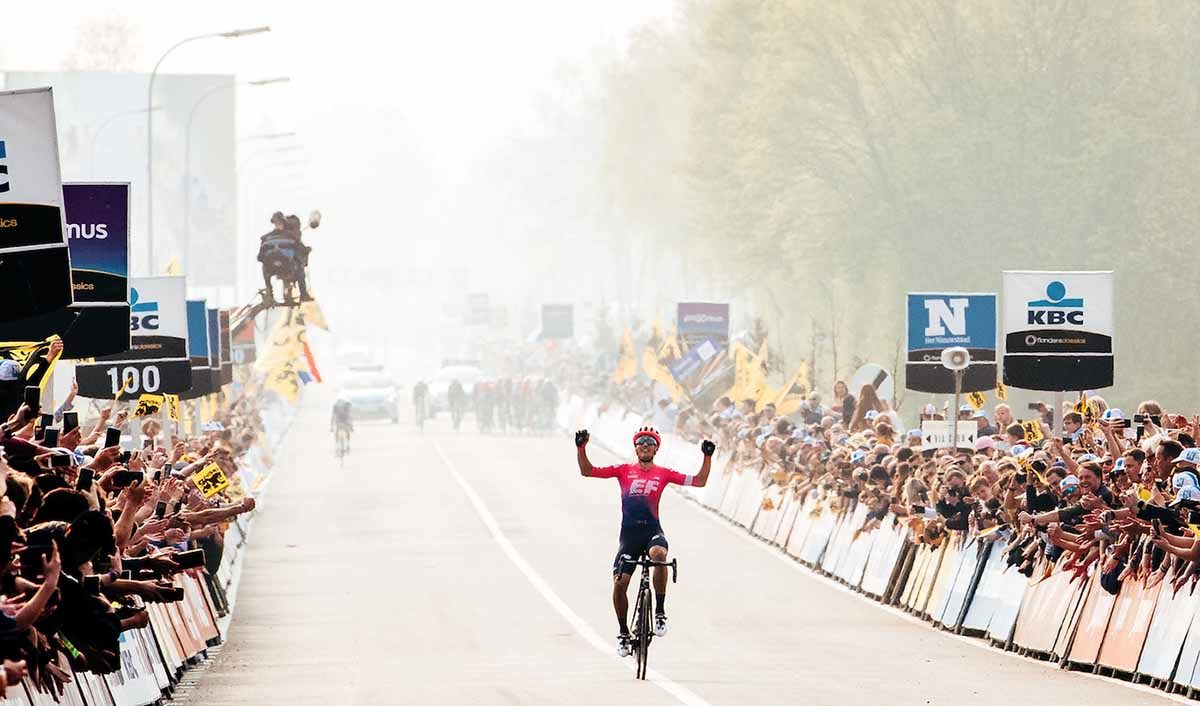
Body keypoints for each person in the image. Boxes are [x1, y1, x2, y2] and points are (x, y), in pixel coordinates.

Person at [574, 426, 714, 657]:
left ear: (656, 448)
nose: (645, 445)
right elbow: (587, 471)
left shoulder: (664, 473)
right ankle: (623, 633)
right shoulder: (623, 469)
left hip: (652, 531)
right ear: (636, 447)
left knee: (659, 555)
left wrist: (707, 457)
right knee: (620, 584)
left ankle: (659, 612)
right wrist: (581, 448)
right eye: (641, 442)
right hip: (629, 536)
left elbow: (699, 481)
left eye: (650, 442)